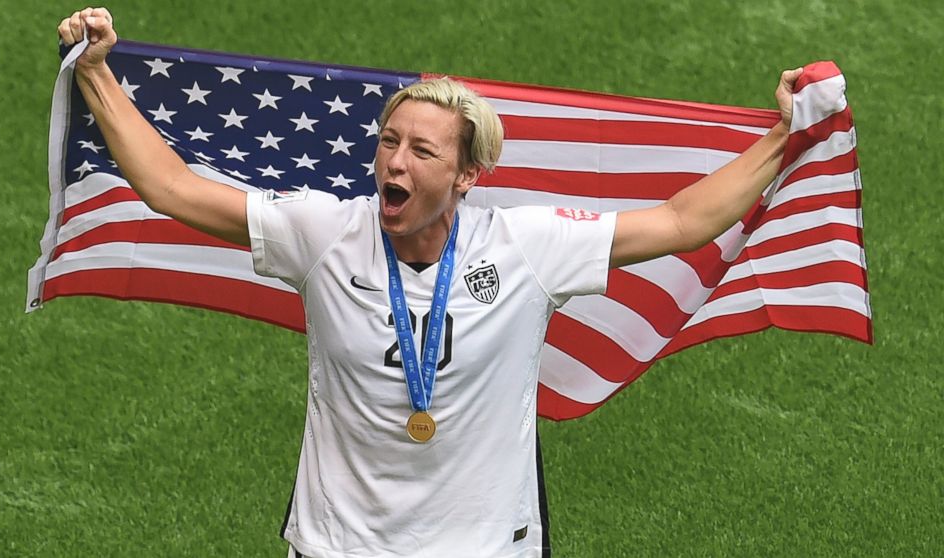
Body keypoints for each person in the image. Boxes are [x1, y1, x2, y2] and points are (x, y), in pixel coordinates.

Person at [58, 7, 802, 558]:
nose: (395, 163)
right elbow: (174, 189)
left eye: (421, 150)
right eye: (388, 143)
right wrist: (95, 72)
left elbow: (679, 222)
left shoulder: (524, 247)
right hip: (337, 547)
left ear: (467, 176)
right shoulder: (323, 232)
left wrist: (784, 133)